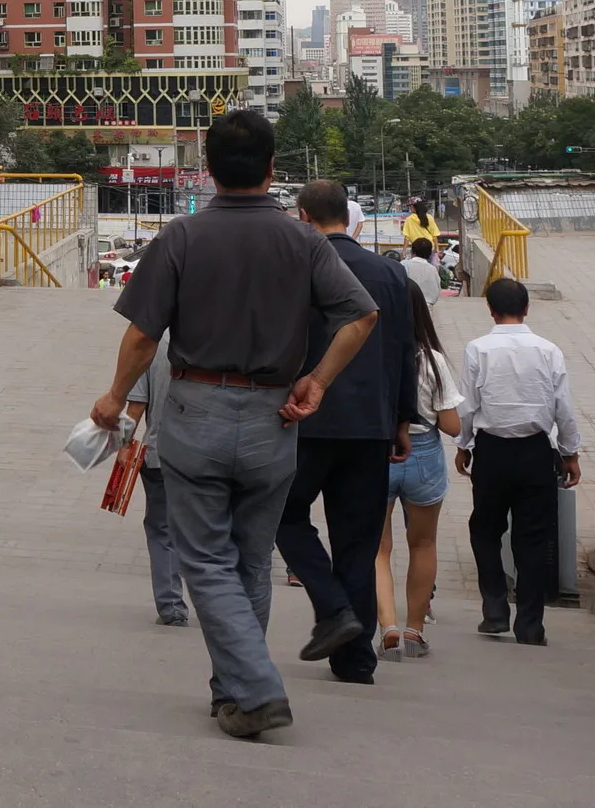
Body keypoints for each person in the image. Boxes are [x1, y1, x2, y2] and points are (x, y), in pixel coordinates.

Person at [90, 108, 380, 743]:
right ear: (273, 170)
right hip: (275, 417)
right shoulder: (303, 241)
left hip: (197, 411)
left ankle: (257, 689)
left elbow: (143, 337)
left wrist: (114, 399)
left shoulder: (181, 237)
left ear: (209, 170)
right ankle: (233, 695)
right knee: (250, 559)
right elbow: (361, 315)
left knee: (204, 560)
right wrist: (317, 381)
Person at [274, 179, 417, 686]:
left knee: (283, 515)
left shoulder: (296, 268)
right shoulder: (391, 274)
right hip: (372, 426)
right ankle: (356, 662)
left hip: (305, 423)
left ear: (306, 217)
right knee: (358, 540)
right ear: (350, 219)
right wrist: (402, 420)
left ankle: (332, 605)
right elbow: (405, 350)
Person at [458, 276, 581, 647]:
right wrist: (570, 453)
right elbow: (564, 408)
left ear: (490, 309)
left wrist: (463, 445)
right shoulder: (549, 350)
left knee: (484, 530)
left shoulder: (477, 349)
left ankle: (495, 610)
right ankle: (530, 625)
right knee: (532, 539)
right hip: (535, 453)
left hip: (492, 452)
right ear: (527, 308)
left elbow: (468, 405)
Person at [378, 277, 464, 660]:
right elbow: (452, 426)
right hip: (424, 454)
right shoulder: (432, 359)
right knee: (423, 544)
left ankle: (388, 628)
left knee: (378, 549)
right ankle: (414, 629)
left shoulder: (372, 353)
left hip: (378, 453)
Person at [123, 340, 187, 626]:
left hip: (160, 454)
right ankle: (223, 605)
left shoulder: (151, 345)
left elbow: (135, 407)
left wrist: (125, 444)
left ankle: (172, 607)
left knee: (163, 530)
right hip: (211, 457)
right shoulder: (220, 337)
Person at [402, 237, 440, 310]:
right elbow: (437, 289)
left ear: (413, 251)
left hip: (407, 308)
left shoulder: (404, 265)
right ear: (429, 254)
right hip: (427, 309)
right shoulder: (432, 269)